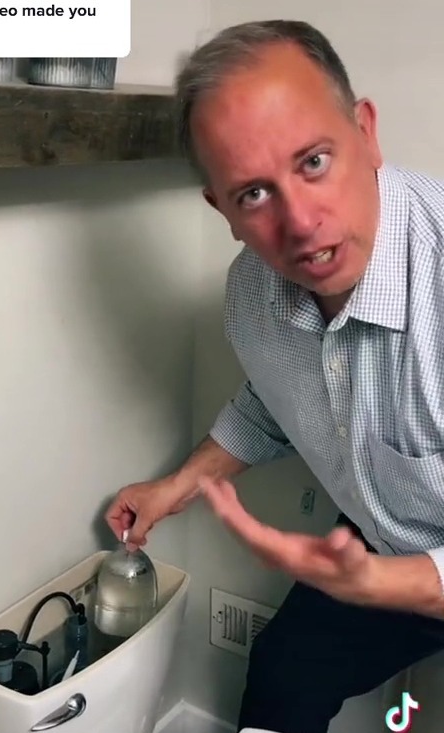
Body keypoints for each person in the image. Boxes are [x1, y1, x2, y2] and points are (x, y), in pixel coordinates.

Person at [105, 19, 444, 733]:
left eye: (314, 161)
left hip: (402, 570)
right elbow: (274, 401)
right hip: (385, 546)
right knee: (284, 673)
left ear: (366, 132)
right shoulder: (251, 294)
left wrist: (392, 582)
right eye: (253, 194)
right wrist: (177, 485)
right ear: (221, 211)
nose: (299, 222)